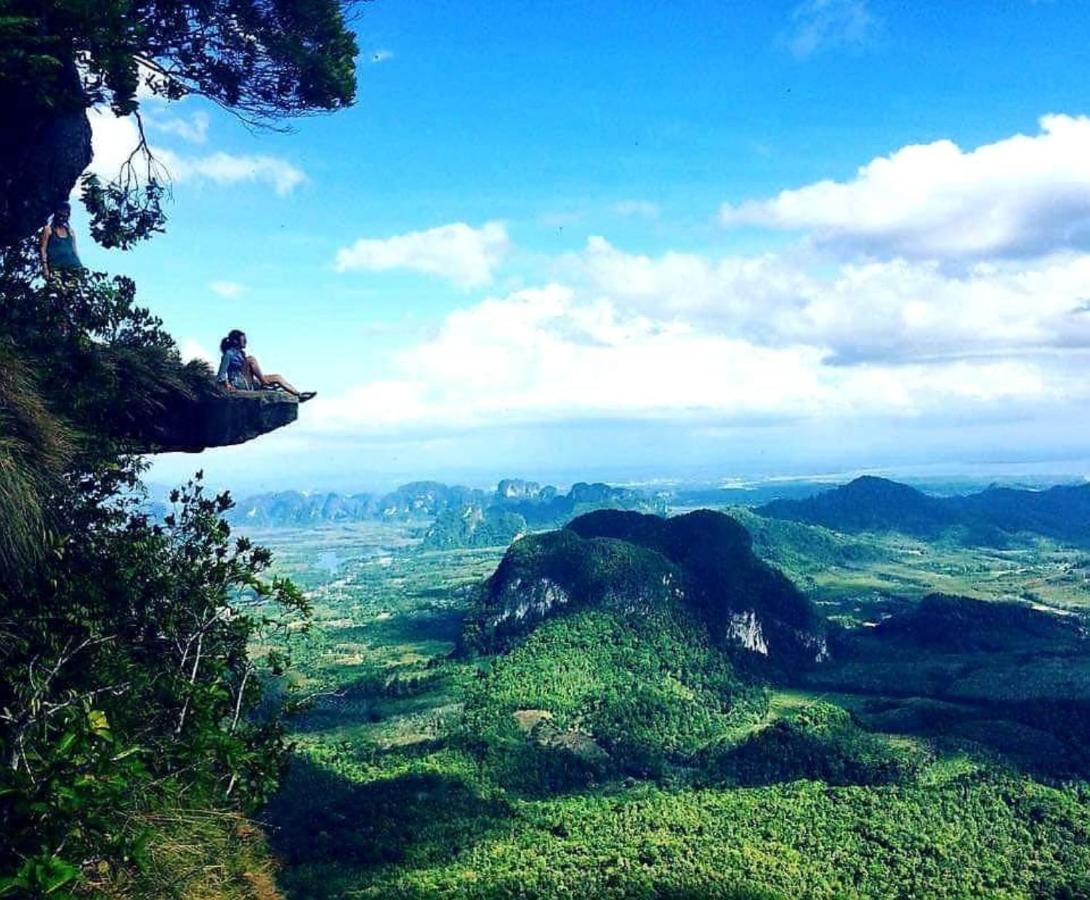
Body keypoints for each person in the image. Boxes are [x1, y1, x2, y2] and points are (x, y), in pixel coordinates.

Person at [216, 329, 315, 401]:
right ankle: (264, 383)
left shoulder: (241, 353)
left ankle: (298, 395)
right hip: (238, 383)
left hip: (248, 381)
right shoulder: (228, 354)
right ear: (235, 341)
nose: (246, 342)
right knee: (251, 359)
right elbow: (221, 373)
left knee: (277, 377)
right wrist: (227, 385)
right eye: (243, 340)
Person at [39, 202, 84, 280]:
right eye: (60, 215)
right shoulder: (48, 230)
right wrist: (45, 268)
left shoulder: (70, 232)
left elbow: (75, 251)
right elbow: (43, 249)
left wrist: (81, 268)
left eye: (64, 216)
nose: (62, 218)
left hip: (74, 267)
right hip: (56, 268)